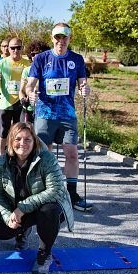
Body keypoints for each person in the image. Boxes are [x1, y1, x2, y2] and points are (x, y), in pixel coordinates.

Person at [0, 122, 74, 274]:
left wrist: (22, 208)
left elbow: (55, 190)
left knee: (49, 210)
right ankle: (23, 231)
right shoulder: (2, 162)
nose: (23, 143)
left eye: (28, 139)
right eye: (18, 139)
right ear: (11, 141)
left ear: (34, 141)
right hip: (19, 208)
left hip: (47, 207)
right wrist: (9, 216)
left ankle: (45, 252)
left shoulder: (46, 157)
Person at [26, 23, 92, 211]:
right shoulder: (41, 58)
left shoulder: (77, 59)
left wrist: (84, 89)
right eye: (58, 37)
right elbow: (30, 84)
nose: (61, 41)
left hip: (67, 114)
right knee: (44, 155)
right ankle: (47, 191)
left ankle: (71, 193)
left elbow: (82, 83)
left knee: (71, 153)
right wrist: (30, 93)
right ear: (52, 38)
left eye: (65, 37)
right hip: (45, 114)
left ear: (70, 38)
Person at [0, 37, 30, 156]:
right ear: (8, 48)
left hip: (22, 101)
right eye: (12, 48)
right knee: (4, 131)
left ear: (22, 48)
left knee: (20, 131)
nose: (15, 50)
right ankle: (1, 155)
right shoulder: (2, 63)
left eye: (18, 48)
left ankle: (18, 154)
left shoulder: (27, 63)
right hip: (6, 101)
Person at [19, 40, 50, 123]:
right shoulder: (26, 70)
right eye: (33, 54)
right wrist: (23, 100)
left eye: (39, 53)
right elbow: (21, 90)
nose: (36, 56)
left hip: (46, 111)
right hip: (29, 109)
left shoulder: (51, 71)